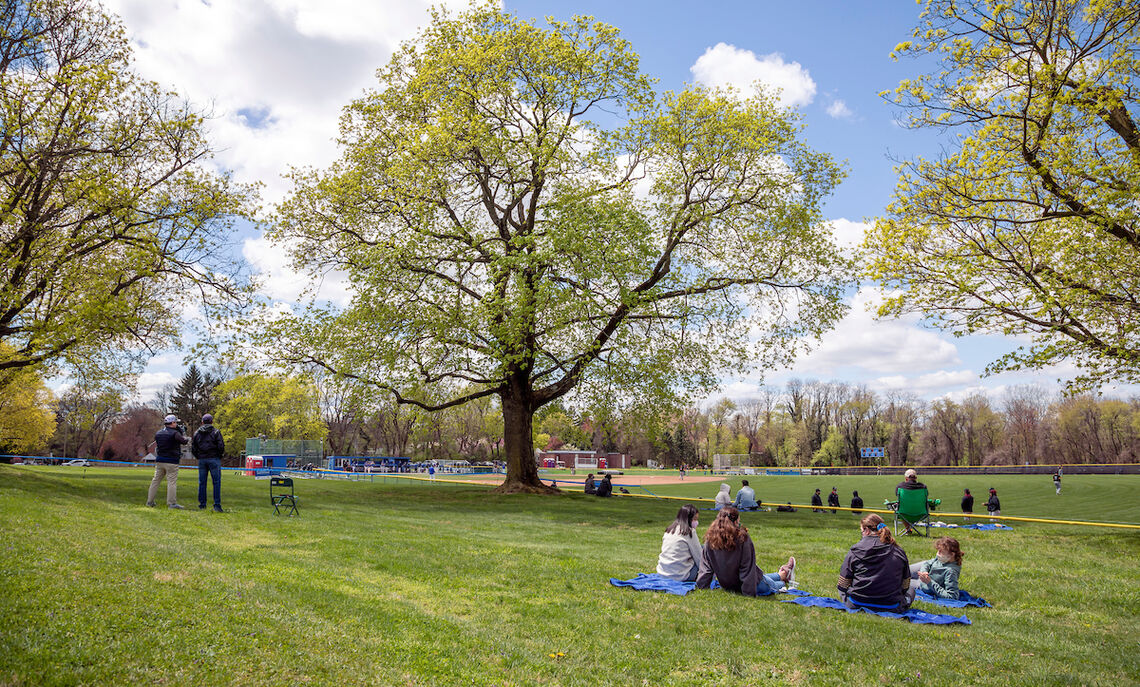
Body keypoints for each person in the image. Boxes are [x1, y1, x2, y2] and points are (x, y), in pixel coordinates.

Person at [694, 506, 796, 595]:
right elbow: (747, 568)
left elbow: (706, 569)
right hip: (750, 585)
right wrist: (748, 592)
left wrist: (702, 585)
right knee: (776, 584)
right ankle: (784, 575)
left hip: (728, 585)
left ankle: (781, 573)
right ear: (735, 522)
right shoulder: (742, 539)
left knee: (763, 577)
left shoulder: (710, 540)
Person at [837, 513, 911, 612]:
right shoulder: (898, 551)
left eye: (861, 532)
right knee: (911, 591)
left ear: (866, 531)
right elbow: (905, 584)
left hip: (857, 602)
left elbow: (843, 583)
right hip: (890, 605)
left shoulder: (855, 550)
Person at [147, 414, 188, 509]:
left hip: (160, 460)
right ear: (172, 422)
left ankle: (150, 501)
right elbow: (184, 441)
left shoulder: (158, 433)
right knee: (171, 482)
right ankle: (172, 503)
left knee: (155, 481)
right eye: (175, 422)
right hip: (172, 461)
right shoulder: (175, 433)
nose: (176, 424)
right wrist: (182, 432)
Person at [656, 504, 703, 582]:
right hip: (679, 575)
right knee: (705, 549)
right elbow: (699, 557)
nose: (696, 522)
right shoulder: (689, 532)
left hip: (663, 572)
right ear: (688, 519)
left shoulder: (669, 530)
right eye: (694, 519)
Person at [908, 537, 963, 602]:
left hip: (924, 584)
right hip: (924, 572)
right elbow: (928, 563)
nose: (938, 553)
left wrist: (929, 582)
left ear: (952, 554)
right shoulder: (944, 558)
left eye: (941, 551)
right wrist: (924, 571)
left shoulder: (951, 571)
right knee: (900, 570)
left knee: (900, 582)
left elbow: (952, 597)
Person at [191, 413, 225, 513]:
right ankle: (217, 505)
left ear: (202, 422)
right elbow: (221, 446)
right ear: (212, 422)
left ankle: (202, 504)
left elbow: (193, 448)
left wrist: (199, 456)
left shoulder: (197, 433)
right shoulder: (216, 432)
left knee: (202, 483)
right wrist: (218, 455)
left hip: (202, 459)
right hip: (214, 458)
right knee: (216, 483)